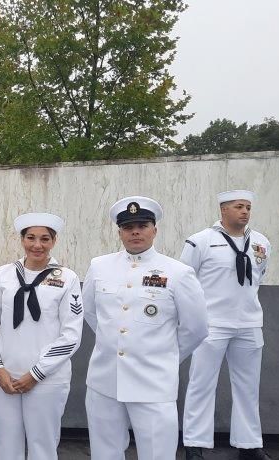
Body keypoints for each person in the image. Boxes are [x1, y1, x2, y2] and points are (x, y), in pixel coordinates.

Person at [82, 196, 208, 460]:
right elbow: (93, 314)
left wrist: (162, 356)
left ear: (155, 230)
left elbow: (196, 328)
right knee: (104, 453)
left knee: (157, 454)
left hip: (153, 382)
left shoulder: (178, 272)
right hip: (105, 379)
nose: (135, 231)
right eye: (129, 227)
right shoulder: (99, 267)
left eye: (142, 225)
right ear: (120, 232)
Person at [181, 191, 273, 460]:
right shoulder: (201, 241)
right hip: (212, 323)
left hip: (249, 322)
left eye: (248, 207)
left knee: (248, 385)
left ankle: (249, 444)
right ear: (223, 210)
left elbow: (260, 277)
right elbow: (185, 282)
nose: (244, 212)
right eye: (238, 207)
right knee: (201, 384)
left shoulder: (261, 242)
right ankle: (194, 444)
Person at [0, 213, 82, 460]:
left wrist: (36, 373)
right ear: (22, 240)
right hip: (4, 377)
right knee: (6, 446)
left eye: (44, 239)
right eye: (31, 238)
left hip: (46, 379)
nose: (37, 245)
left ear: (54, 241)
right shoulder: (3, 275)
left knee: (43, 447)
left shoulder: (66, 278)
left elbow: (70, 335)